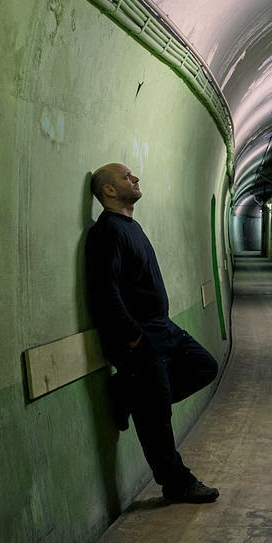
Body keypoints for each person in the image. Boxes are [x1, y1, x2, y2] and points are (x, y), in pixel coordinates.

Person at [85, 162, 220, 504]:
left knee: (204, 366)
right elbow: (105, 290)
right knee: (157, 420)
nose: (136, 178)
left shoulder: (131, 225)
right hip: (140, 339)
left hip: (162, 328)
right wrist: (133, 336)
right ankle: (176, 483)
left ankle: (130, 396)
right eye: (126, 177)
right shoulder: (107, 232)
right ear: (109, 191)